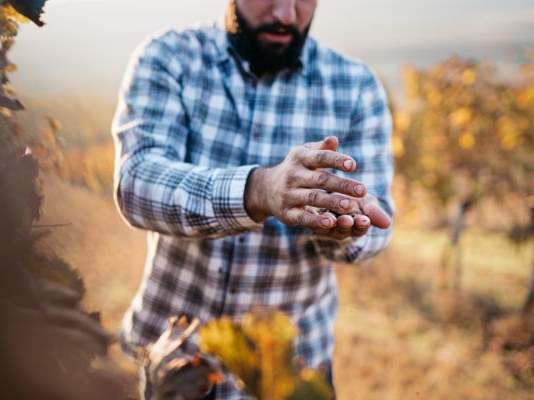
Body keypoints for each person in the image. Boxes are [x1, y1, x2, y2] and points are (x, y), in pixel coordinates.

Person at [112, 0, 394, 397]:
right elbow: (136, 183)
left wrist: (347, 232)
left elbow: (378, 227)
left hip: (292, 376)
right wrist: (260, 190)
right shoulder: (170, 57)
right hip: (176, 365)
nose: (285, 14)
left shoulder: (356, 87)